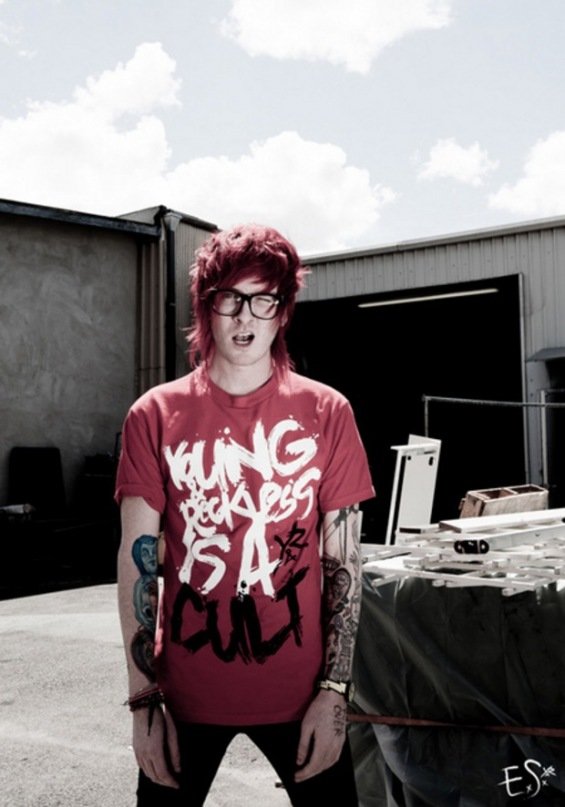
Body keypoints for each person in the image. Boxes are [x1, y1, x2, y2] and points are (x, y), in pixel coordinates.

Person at [116, 223, 375, 806]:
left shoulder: (327, 412)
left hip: (303, 695)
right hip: (183, 697)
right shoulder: (153, 415)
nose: (245, 317)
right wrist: (143, 701)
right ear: (206, 307)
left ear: (283, 312)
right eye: (230, 298)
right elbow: (138, 563)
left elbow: (344, 562)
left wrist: (335, 692)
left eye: (264, 300)